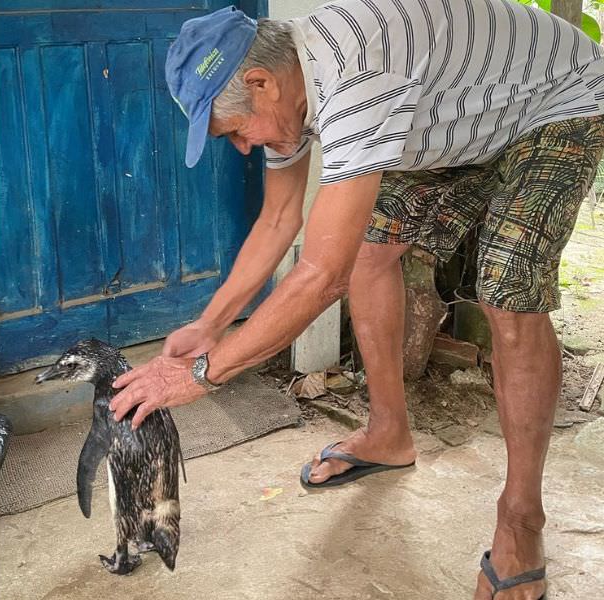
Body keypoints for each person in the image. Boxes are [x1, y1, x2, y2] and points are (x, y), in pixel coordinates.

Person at [108, 2, 604, 598]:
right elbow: (278, 220)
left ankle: (522, 519)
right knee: (372, 247)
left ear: (260, 82)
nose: (241, 146)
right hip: (468, 115)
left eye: (235, 129)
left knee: (508, 293)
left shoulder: (356, 76)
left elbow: (322, 275)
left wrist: (202, 376)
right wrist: (209, 325)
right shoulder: (286, 92)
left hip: (558, 103)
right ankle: (389, 433)